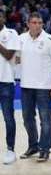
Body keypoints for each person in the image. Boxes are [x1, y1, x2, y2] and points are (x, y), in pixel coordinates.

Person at [18, 12, 51, 162]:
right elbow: (15, 59)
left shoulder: (50, 40)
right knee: (27, 118)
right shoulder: (21, 39)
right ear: (28, 24)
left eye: (39, 23)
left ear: (43, 24)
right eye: (34, 22)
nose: (37, 25)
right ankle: (33, 146)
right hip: (26, 86)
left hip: (44, 87)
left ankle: (45, 149)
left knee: (45, 120)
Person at [0, 10, 19, 165]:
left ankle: (10, 149)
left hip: (5, 81)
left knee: (8, 118)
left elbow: (8, 55)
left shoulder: (11, 33)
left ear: (3, 18)